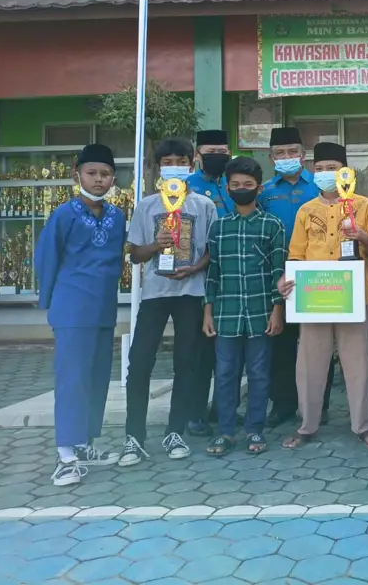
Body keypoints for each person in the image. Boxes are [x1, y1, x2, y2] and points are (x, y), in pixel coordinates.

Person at [279, 142, 368, 450]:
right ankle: (307, 425)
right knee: (310, 364)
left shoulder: (364, 206)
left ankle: (363, 426)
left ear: (346, 172)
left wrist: (362, 236)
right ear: (313, 171)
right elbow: (296, 254)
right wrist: (286, 277)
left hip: (352, 297)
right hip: (313, 298)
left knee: (357, 364)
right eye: (321, 168)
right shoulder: (306, 211)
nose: (327, 174)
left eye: (334, 168)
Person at [119, 138, 218, 467]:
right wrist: (154, 245)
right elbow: (134, 255)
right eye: (167, 161)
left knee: (186, 363)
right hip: (155, 294)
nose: (174, 165)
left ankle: (175, 431)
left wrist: (195, 267)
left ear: (192, 165)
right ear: (158, 167)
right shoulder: (147, 206)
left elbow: (210, 252)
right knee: (140, 362)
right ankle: (134, 436)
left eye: (180, 160)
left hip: (191, 292)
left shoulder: (204, 205)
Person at [34, 144, 127, 486]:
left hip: (104, 308)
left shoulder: (117, 216)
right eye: (92, 173)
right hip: (72, 308)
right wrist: (49, 303)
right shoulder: (64, 214)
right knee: (72, 381)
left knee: (96, 379)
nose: (99, 180)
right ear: (78, 176)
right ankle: (65, 457)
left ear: (113, 178)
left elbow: (119, 257)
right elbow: (47, 257)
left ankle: (86, 444)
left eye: (105, 174)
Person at [203, 157, 286, 457]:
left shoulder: (272, 225)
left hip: (260, 313)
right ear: (227, 189)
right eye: (235, 185)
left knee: (260, 373)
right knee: (225, 374)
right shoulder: (219, 227)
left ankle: (255, 430)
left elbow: (279, 272)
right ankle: (226, 432)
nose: (241, 189)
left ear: (258, 188)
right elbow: (213, 273)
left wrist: (277, 310)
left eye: (247, 185)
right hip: (225, 314)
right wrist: (207, 312)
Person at [259, 126, 326, 429]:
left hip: (316, 275)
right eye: (280, 153)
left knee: (318, 343)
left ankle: (318, 406)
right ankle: (283, 404)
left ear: (303, 154)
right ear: (272, 157)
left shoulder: (319, 187)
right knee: (281, 344)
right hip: (279, 276)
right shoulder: (265, 193)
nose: (287, 157)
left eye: (292, 152)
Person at [185, 129, 232, 436]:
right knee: (199, 351)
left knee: (227, 353)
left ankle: (223, 408)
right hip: (198, 282)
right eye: (211, 151)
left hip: (235, 281)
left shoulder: (237, 182)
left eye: (223, 150)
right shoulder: (186, 187)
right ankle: (194, 412)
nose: (218, 156)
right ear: (199, 155)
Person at [187, 129, 233, 217]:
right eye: (211, 152)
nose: (217, 155)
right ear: (196, 155)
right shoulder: (187, 185)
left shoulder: (233, 184)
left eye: (222, 152)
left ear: (229, 154)